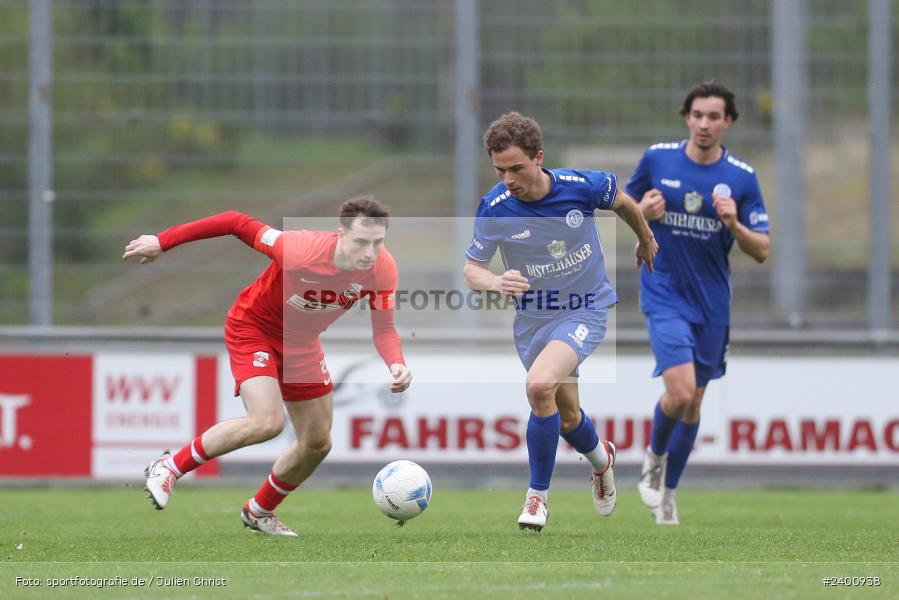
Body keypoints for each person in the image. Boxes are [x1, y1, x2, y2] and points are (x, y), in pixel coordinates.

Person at [122, 197, 412, 537]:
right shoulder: (299, 249)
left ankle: (259, 511)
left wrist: (397, 364)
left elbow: (384, 330)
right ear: (340, 235)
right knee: (267, 421)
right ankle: (170, 467)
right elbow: (233, 221)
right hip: (254, 327)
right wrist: (164, 241)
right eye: (361, 242)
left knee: (317, 443)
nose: (369, 252)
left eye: (378, 243)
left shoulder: (382, 269)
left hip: (301, 345)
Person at [463, 112, 658, 531]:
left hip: (583, 309)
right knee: (566, 417)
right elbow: (471, 269)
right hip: (533, 321)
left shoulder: (579, 186)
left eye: (516, 168)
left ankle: (537, 499)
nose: (508, 179)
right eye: (500, 170)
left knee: (538, 386)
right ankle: (601, 459)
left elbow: (623, 202)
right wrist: (497, 281)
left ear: (539, 158)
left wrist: (644, 238)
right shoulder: (495, 207)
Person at [626, 80, 770, 525]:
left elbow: (761, 249)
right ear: (686, 117)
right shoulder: (658, 158)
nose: (704, 124)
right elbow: (622, 204)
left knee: (693, 404)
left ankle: (668, 493)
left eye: (714, 117)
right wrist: (642, 215)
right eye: (697, 115)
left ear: (727, 122)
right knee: (681, 390)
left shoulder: (742, 178)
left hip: (712, 304)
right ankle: (653, 458)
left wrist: (733, 223)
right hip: (664, 291)